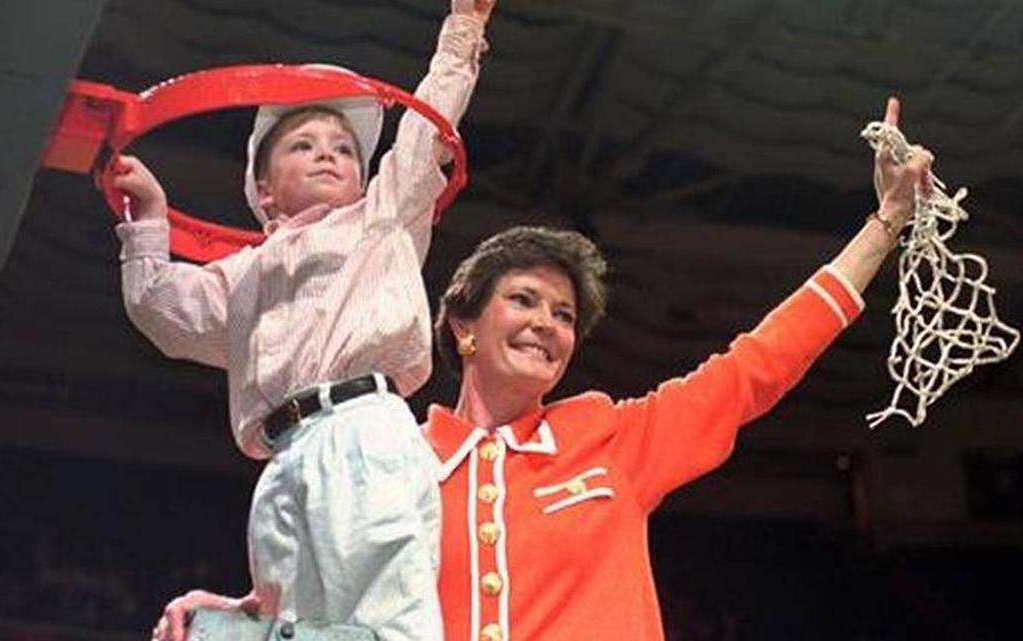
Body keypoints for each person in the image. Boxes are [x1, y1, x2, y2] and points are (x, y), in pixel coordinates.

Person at [152, 98, 930, 641]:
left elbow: (755, 366)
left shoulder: (611, 440)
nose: (548, 325)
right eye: (524, 300)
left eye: (564, 316)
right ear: (461, 326)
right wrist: (244, 611)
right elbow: (322, 588)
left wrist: (884, 225)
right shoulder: (395, 458)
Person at [112, 2, 496, 641]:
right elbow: (160, 309)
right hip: (284, 458)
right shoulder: (245, 275)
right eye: (303, 145)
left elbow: (425, 132)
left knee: (390, 623)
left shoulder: (383, 219)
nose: (329, 155)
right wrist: (149, 213)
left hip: (367, 434)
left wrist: (463, 28)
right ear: (263, 190)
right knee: (297, 630)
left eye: (345, 149)